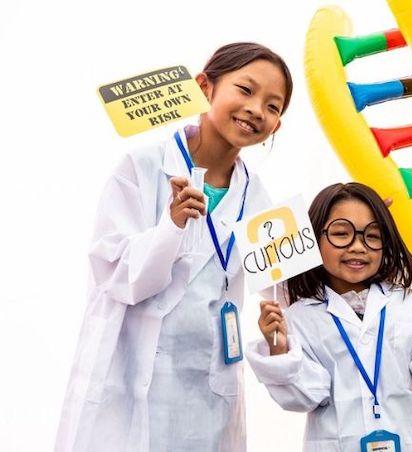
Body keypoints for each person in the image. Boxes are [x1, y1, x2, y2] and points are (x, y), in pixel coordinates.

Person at [55, 42, 293, 452]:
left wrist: (346, 227)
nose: (257, 110)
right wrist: (172, 226)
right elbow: (117, 277)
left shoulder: (260, 202)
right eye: (246, 90)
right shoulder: (142, 168)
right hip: (125, 376)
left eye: (274, 107)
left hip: (205, 387)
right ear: (204, 87)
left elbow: (287, 286)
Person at [247, 182, 412, 451]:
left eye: (373, 236)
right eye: (341, 234)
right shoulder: (298, 317)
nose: (358, 247)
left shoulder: (410, 303)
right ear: (313, 240)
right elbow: (303, 396)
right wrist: (278, 347)